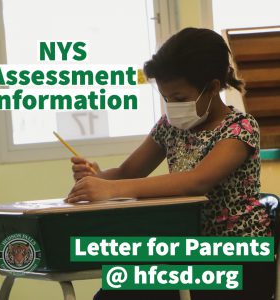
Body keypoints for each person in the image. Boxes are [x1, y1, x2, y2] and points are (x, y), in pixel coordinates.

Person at [66, 28, 275, 300]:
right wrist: (98, 176)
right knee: (112, 295)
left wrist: (112, 190)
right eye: (165, 98)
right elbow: (128, 172)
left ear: (212, 88)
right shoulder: (171, 126)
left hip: (239, 257)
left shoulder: (240, 129)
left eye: (178, 98)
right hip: (185, 251)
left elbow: (196, 182)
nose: (171, 106)